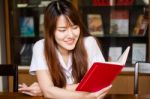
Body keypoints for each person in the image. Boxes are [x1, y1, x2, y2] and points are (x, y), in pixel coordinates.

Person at [18, 0, 112, 98]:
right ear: (50, 31)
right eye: (62, 30)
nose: (71, 35)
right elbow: (48, 92)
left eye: (75, 27)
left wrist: (52, 89)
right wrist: (84, 96)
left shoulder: (89, 43)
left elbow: (98, 86)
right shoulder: (40, 47)